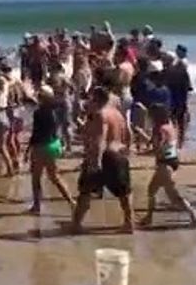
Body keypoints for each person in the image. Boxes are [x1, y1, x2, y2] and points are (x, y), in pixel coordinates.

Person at [71, 87, 135, 234]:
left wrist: (96, 160)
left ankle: (76, 224)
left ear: (97, 99)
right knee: (124, 192)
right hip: (119, 154)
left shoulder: (101, 114)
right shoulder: (117, 113)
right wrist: (128, 148)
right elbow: (127, 132)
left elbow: (101, 138)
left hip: (105, 156)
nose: (89, 102)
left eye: (91, 99)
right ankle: (129, 223)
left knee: (85, 191)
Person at [138, 104, 196, 227]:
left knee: (173, 196)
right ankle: (149, 217)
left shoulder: (158, 128)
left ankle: (194, 214)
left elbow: (158, 148)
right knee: (152, 190)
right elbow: (164, 144)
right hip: (172, 160)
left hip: (164, 163)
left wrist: (142, 153)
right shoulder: (170, 126)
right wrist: (143, 134)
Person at [26, 86, 74, 214]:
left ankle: (36, 206)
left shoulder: (38, 113)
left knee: (36, 178)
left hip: (41, 146)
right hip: (53, 144)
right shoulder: (57, 110)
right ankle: (71, 201)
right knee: (55, 177)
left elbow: (35, 133)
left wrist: (27, 150)